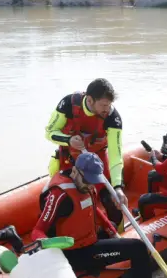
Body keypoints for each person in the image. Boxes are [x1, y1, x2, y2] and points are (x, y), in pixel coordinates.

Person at [30, 152, 155, 278]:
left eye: (93, 181)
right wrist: (48, 244)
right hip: (74, 252)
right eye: (87, 181)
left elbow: (93, 208)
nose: (90, 185)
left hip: (88, 240)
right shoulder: (60, 194)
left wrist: (112, 231)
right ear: (75, 170)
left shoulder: (85, 183)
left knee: (113, 227)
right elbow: (37, 231)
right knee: (138, 248)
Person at [44, 78, 127, 226]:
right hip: (70, 159)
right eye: (103, 105)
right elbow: (49, 132)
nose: (107, 110)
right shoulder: (67, 105)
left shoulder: (113, 118)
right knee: (67, 201)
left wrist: (118, 188)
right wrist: (69, 140)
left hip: (97, 162)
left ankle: (118, 233)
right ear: (89, 100)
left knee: (110, 201)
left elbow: (116, 156)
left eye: (109, 105)